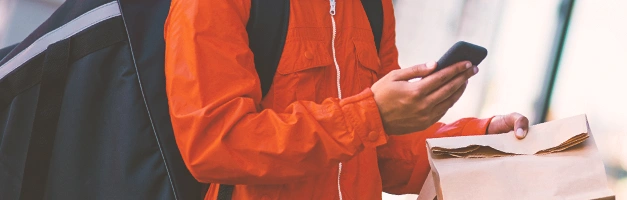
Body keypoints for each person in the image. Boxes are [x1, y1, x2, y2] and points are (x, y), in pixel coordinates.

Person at [163, 0, 530, 199]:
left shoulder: (373, 7)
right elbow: (215, 143)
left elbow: (385, 154)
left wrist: (477, 141)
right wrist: (369, 116)